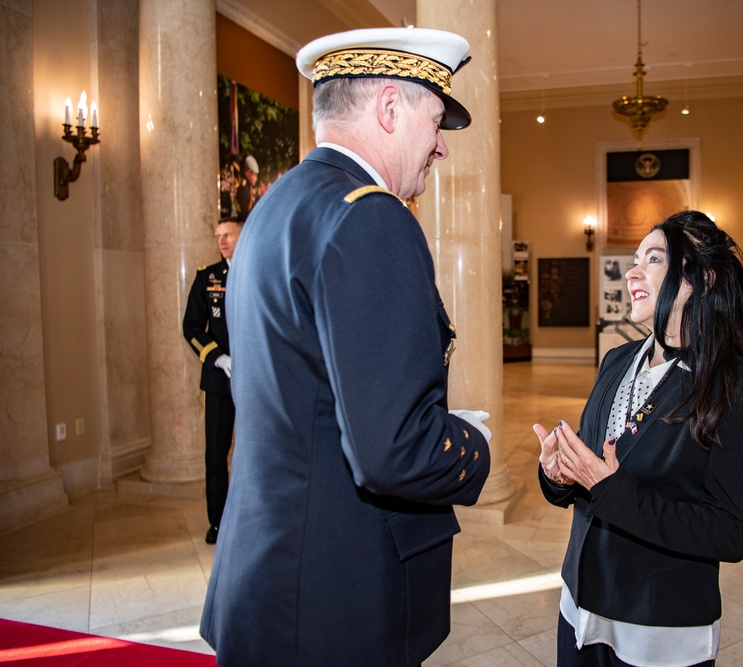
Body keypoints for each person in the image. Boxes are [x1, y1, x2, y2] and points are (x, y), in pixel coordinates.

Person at [200, 27, 492, 666]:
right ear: (389, 109)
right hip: (336, 603)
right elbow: (391, 452)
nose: (441, 147)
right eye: (437, 120)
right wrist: (473, 443)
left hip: (270, 583)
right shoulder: (372, 217)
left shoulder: (276, 209)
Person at [535, 210, 743, 667]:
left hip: (658, 626)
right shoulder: (617, 360)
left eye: (654, 258)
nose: (632, 271)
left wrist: (611, 490)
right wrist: (558, 474)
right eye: (634, 259)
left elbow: (733, 533)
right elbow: (592, 473)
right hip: (580, 606)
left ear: (703, 279)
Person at [182, 217, 243, 545]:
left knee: (255, 452)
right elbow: (191, 326)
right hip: (220, 381)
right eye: (218, 235)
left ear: (242, 234)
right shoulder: (207, 278)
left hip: (254, 382)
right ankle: (218, 523)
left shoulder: (258, 270)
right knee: (216, 454)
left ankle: (250, 520)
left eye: (228, 234)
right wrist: (220, 358)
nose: (222, 241)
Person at [234, 155, 259, 221]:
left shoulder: (248, 187)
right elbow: (245, 214)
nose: (256, 179)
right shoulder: (244, 188)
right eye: (255, 175)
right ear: (249, 172)